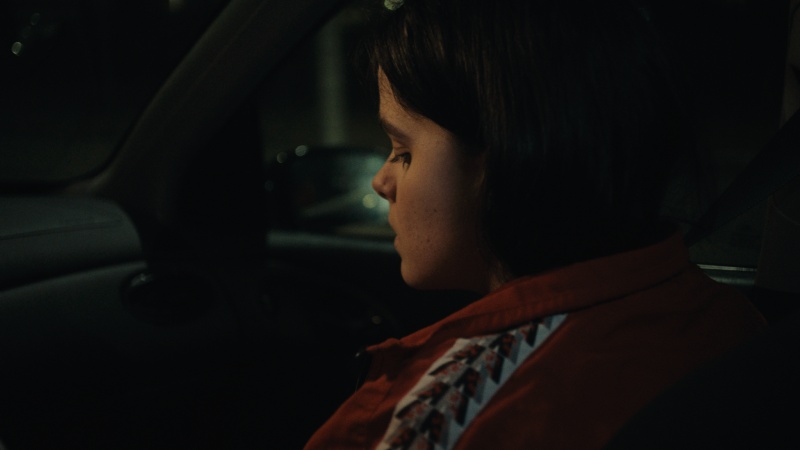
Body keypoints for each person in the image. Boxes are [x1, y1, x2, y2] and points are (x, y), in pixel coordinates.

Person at [304, 0, 766, 448]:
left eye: (403, 152)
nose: (381, 181)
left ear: (509, 157)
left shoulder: (446, 417)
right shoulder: (732, 323)